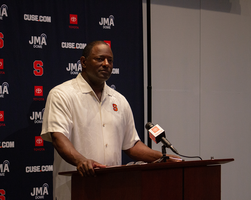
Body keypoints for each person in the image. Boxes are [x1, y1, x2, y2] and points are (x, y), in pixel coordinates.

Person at [41, 41, 181, 200]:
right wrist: (82, 161)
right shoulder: (62, 94)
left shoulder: (119, 100)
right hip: (75, 189)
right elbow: (59, 138)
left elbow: (132, 145)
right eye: (100, 59)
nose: (106, 64)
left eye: (110, 60)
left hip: (113, 189)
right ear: (83, 62)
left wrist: (163, 158)